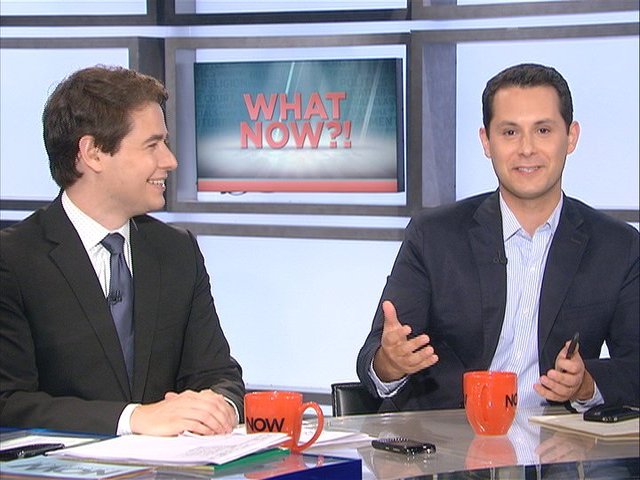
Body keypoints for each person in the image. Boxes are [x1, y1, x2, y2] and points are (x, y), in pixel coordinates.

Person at [357, 63, 639, 413]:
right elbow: (373, 361)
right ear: (486, 141)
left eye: (543, 130)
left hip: (557, 443)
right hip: (442, 439)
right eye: (509, 132)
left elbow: (635, 367)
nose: (526, 149)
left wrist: (586, 385)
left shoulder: (617, 246)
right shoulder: (433, 236)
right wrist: (390, 363)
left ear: (571, 137)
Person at [0, 65, 245, 435]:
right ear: (93, 153)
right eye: (152, 145)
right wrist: (133, 418)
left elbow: (217, 374)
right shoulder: (14, 260)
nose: (170, 160)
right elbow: (8, 402)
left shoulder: (177, 250)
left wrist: (219, 407)